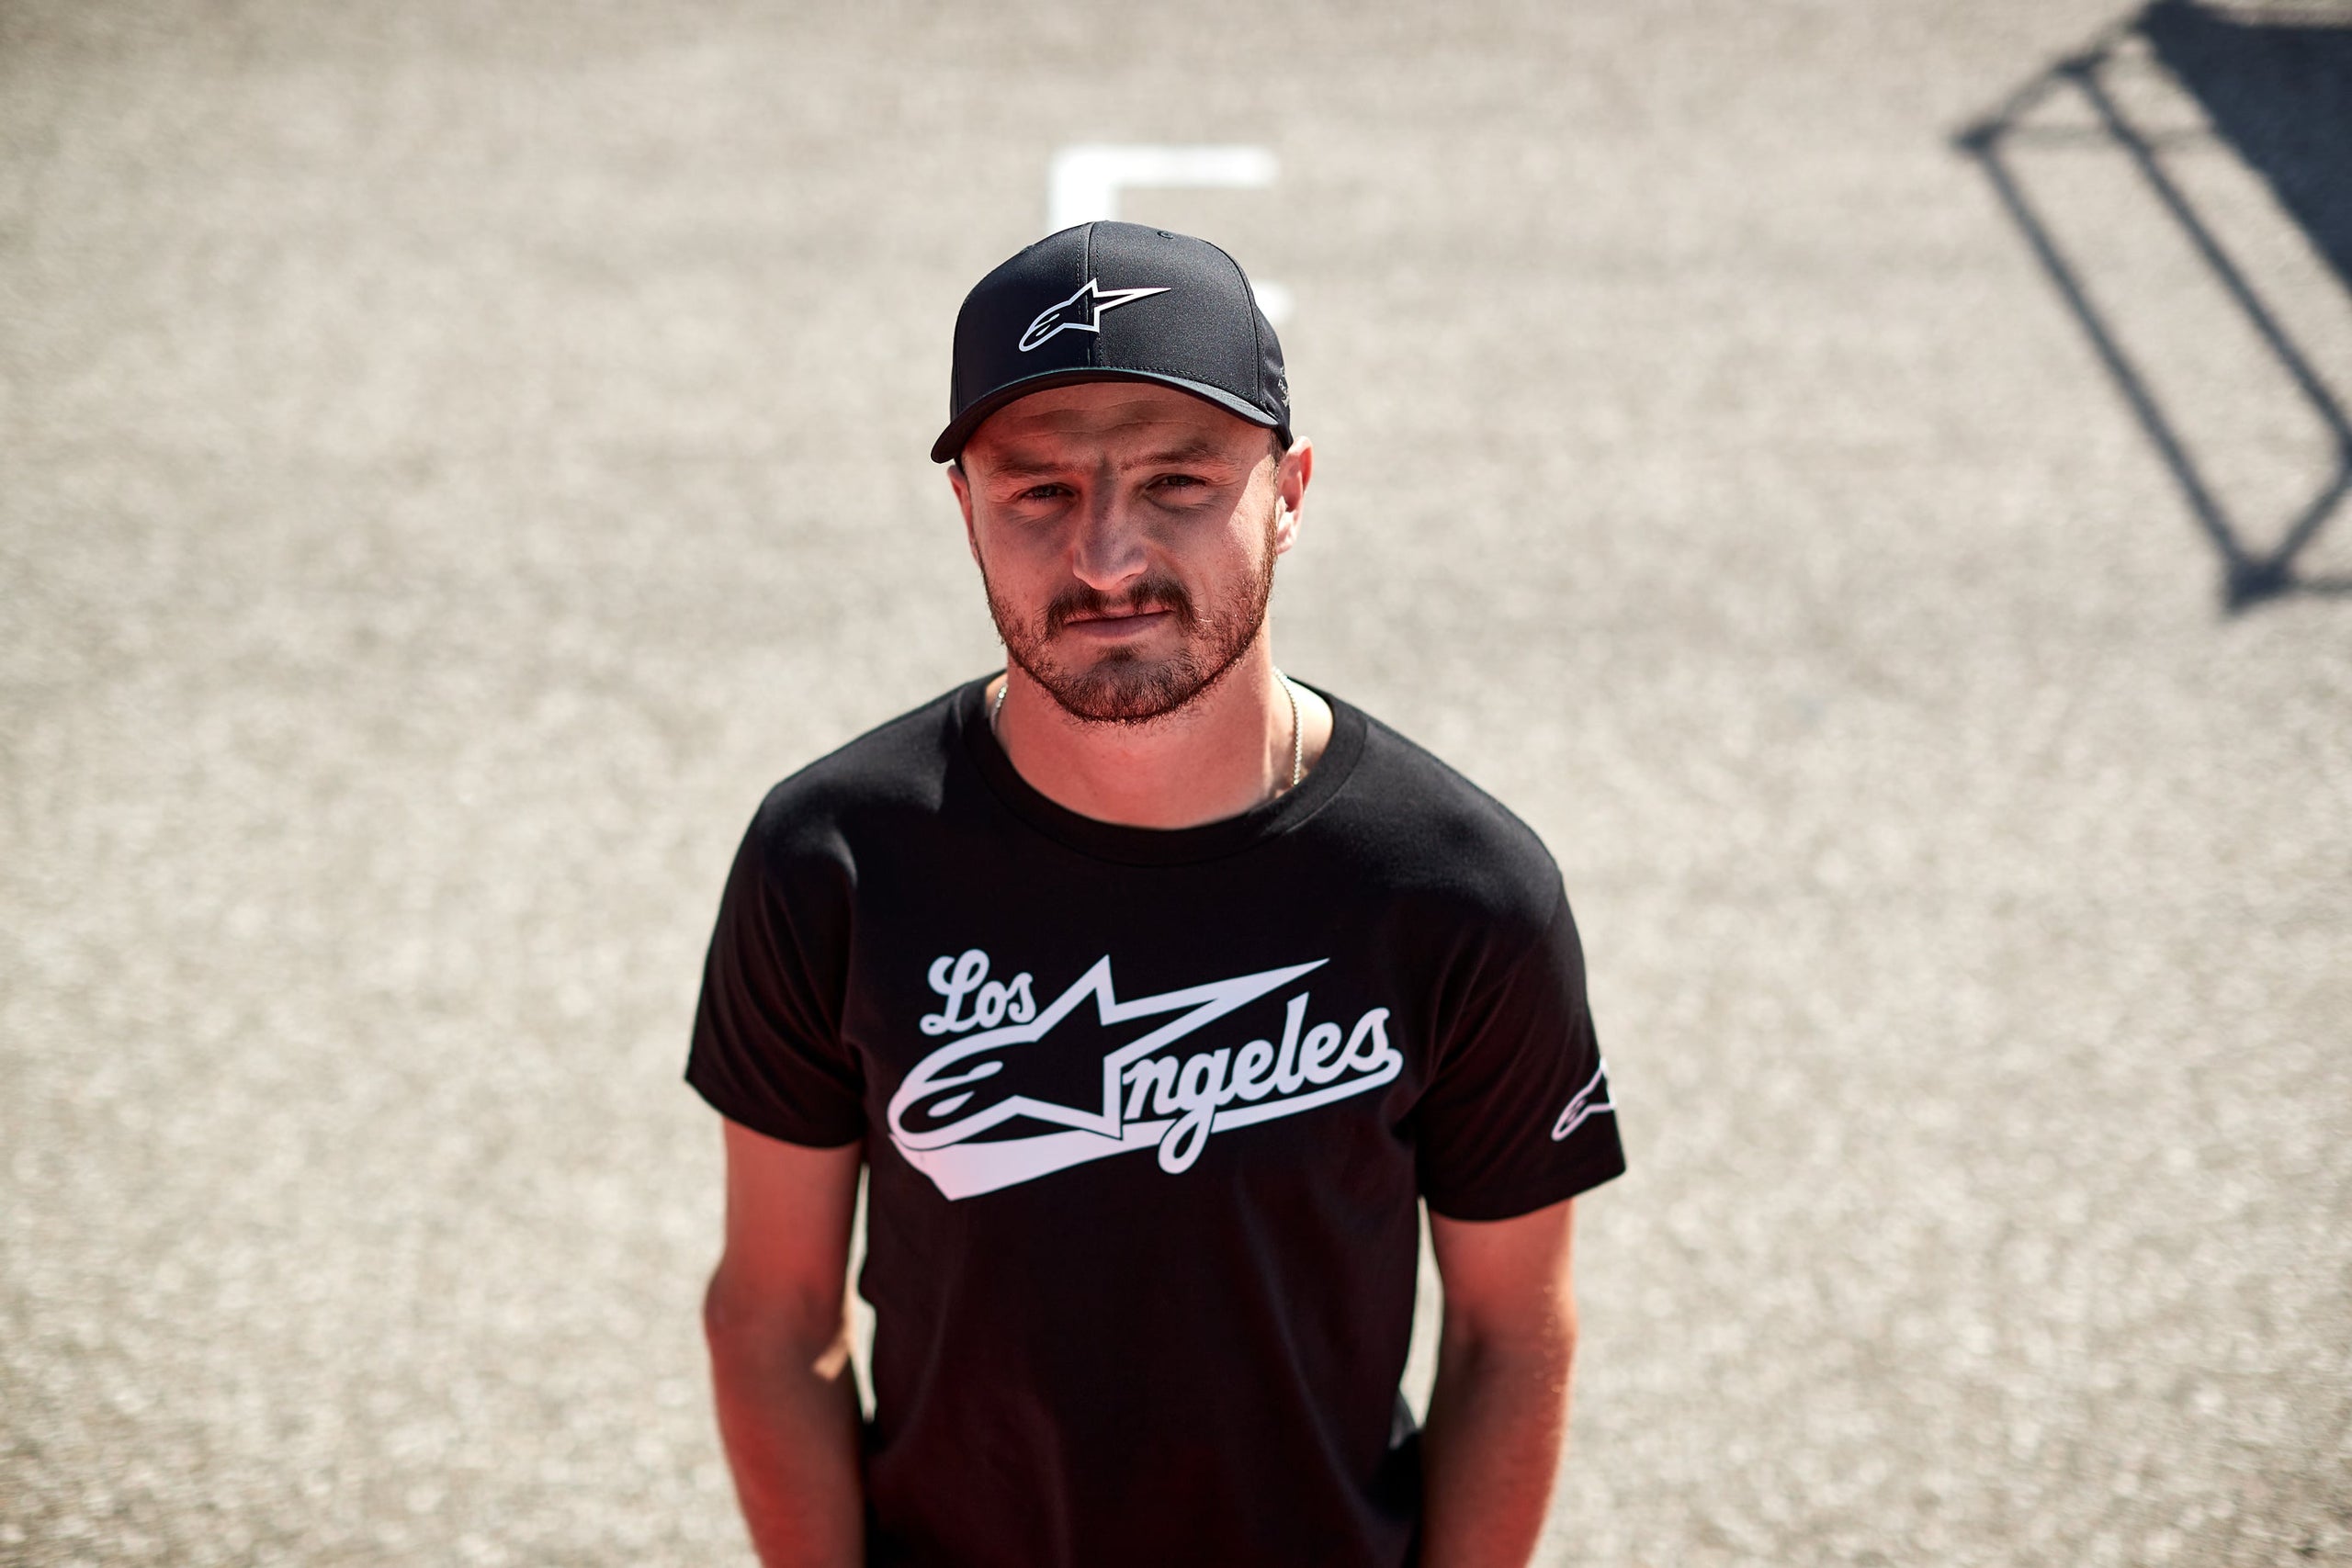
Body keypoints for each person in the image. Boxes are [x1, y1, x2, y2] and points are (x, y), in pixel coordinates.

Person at [687, 220, 1625, 1568]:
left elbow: (1510, 1329)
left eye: (1179, 481)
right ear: (966, 509)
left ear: (1290, 490)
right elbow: (773, 1318)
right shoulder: (833, 859)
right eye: (1041, 493)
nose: (1108, 557)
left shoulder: (1458, 892)